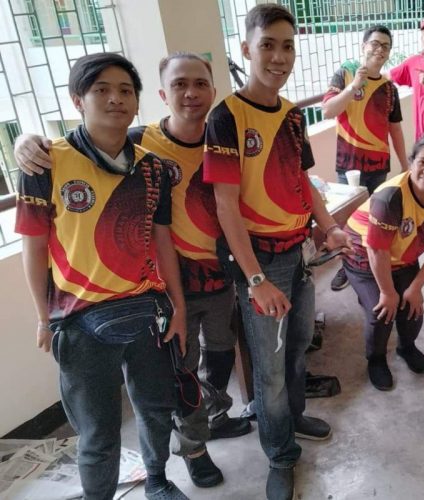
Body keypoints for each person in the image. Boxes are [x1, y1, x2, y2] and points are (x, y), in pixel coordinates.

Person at [13, 52, 253, 489]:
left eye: (125, 90)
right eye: (101, 90)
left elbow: (162, 242)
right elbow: (34, 246)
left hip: (147, 314)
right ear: (77, 100)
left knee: (156, 409)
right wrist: (43, 318)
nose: (115, 99)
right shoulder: (47, 164)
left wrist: (177, 307)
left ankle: (158, 480)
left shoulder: (152, 168)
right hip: (80, 321)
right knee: (98, 434)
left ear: (138, 101)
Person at [202, 5, 350, 500]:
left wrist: (329, 227)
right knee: (267, 369)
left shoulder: (290, 115)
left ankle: (293, 418)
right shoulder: (226, 117)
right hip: (260, 263)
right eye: (267, 45)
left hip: (298, 252)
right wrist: (256, 280)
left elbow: (302, 181)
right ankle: (280, 454)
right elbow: (226, 206)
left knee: (299, 346)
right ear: (247, 49)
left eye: (287, 46)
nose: (279, 56)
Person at [342, 134, 424, 390]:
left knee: (412, 308)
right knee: (382, 312)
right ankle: (376, 360)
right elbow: (377, 250)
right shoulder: (390, 196)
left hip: (403, 256)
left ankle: (406, 347)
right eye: (422, 162)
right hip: (363, 255)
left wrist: (415, 287)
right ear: (411, 162)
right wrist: (387, 292)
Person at [322, 24, 409, 292]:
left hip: (378, 166)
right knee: (348, 223)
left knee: (376, 220)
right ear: (364, 46)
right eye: (375, 43)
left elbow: (395, 129)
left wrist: (405, 165)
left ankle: (373, 266)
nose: (380, 50)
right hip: (348, 165)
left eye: (385, 46)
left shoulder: (389, 88)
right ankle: (346, 268)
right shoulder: (346, 74)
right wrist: (353, 87)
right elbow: (327, 111)